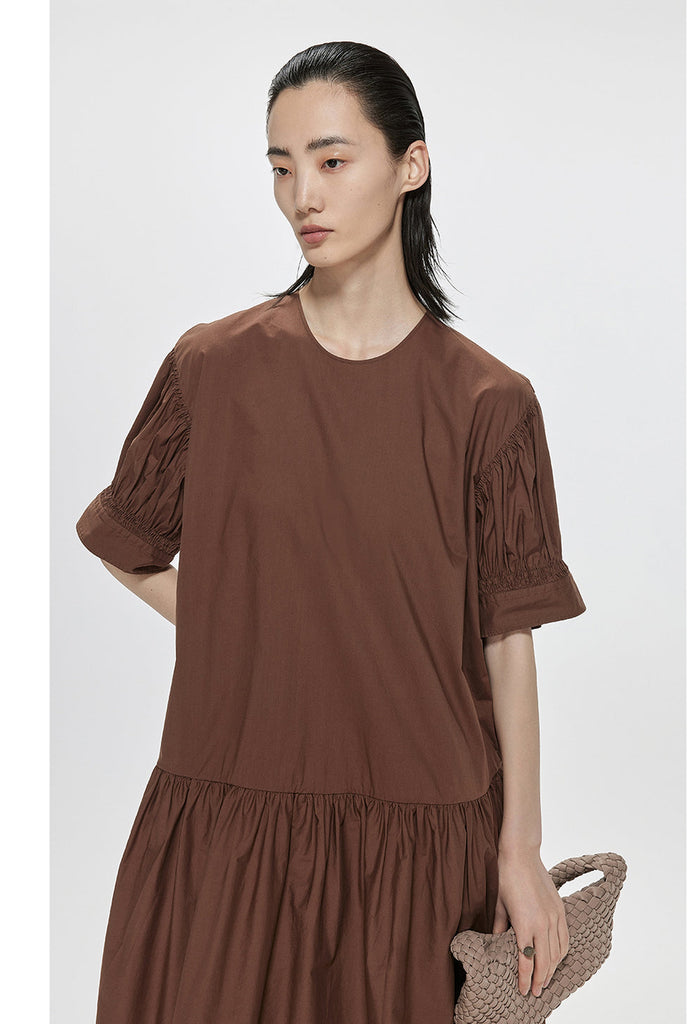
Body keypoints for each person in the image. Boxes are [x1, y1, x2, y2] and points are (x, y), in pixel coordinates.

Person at [76, 40, 586, 1024]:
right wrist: (247, 623)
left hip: (421, 837)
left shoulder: (489, 403)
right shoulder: (213, 369)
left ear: (410, 165)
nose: (301, 195)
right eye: (280, 167)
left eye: (331, 159)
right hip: (232, 820)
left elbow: (507, 635)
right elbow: (124, 541)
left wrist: (519, 849)